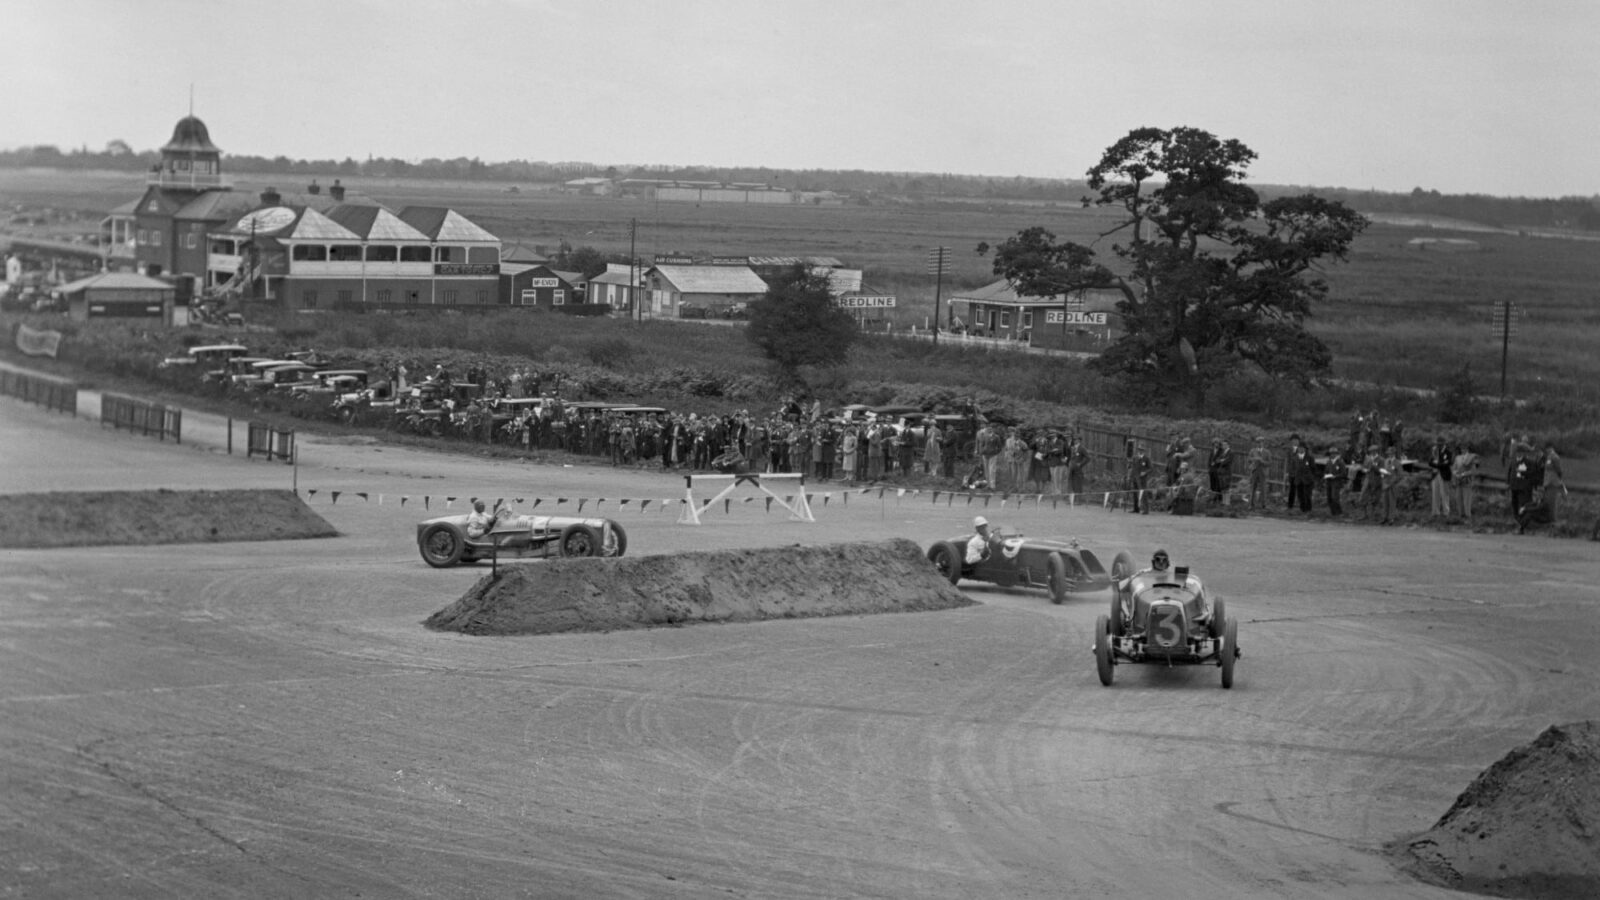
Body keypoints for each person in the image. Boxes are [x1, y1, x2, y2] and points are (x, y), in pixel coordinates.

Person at [1427, 434, 1454, 517]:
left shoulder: (1448, 452)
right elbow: (1430, 462)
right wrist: (1438, 464)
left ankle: (1446, 512)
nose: (1438, 444)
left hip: (1444, 475)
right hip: (1435, 475)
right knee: (1435, 493)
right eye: (1438, 443)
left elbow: (1447, 464)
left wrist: (1437, 464)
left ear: (1444, 443)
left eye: (1440, 443)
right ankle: (1435, 512)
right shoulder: (1435, 451)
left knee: (1444, 494)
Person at [1246, 436, 1270, 509]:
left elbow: (1270, 463)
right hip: (1254, 471)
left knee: (1263, 489)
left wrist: (1262, 461)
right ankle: (1251, 504)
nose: (1260, 444)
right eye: (1258, 442)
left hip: (1263, 472)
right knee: (1253, 488)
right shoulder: (1252, 451)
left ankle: (1264, 505)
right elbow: (1248, 459)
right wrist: (1254, 459)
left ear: (1263, 443)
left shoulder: (1267, 452)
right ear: (1256, 443)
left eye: (1261, 442)